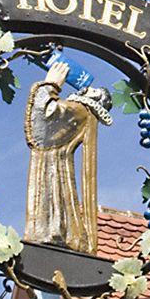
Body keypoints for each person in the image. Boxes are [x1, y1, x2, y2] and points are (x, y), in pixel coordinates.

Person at [23, 61, 112, 254]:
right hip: (52, 163)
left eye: (94, 92)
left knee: (52, 197)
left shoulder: (82, 110)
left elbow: (46, 117)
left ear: (96, 101)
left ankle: (54, 232)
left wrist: (51, 85)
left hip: (53, 165)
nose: (86, 90)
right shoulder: (81, 110)